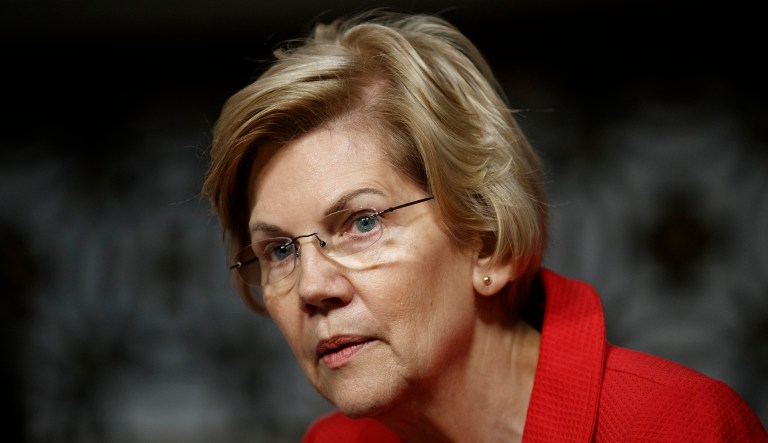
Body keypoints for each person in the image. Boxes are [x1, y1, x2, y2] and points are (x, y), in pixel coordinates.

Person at [202, 10, 768, 442]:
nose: (311, 288)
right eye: (278, 250)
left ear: (488, 243)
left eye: (362, 222)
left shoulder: (677, 425)